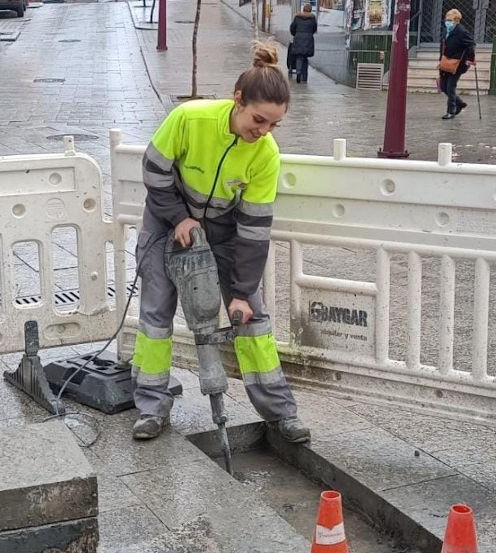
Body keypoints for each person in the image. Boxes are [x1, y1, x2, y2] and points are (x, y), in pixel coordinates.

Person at [132, 42, 311, 444]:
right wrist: (178, 216)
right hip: (166, 220)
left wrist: (243, 293)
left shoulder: (265, 154)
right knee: (156, 315)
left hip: (227, 230)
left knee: (252, 319)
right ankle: (150, 409)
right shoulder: (189, 118)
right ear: (237, 101)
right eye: (258, 119)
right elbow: (154, 171)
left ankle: (281, 414)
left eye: (273, 125)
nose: (262, 132)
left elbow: (254, 228)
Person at [438, 9, 476, 120]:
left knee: (450, 87)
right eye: (446, 19)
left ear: (456, 20)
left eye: (450, 20)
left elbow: (471, 45)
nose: (447, 22)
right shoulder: (446, 31)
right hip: (445, 62)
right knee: (443, 86)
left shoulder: (462, 32)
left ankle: (451, 111)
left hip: (457, 64)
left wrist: (470, 59)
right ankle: (459, 103)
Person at [289, 4, 318, 83]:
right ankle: (304, 77)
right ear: (310, 10)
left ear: (303, 9)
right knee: (305, 58)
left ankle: (298, 73)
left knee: (299, 57)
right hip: (308, 39)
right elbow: (314, 29)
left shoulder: (297, 17)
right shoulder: (312, 18)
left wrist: (296, 34)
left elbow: (292, 28)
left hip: (298, 38)